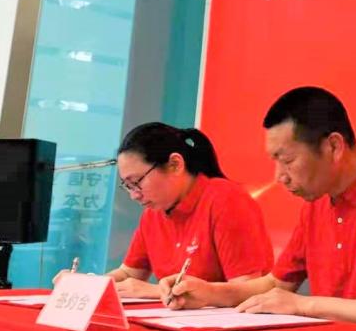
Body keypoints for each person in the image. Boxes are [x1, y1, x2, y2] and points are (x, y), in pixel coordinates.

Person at [161, 87, 356, 327]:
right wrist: (208, 292)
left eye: (287, 161)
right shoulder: (316, 202)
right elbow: (277, 284)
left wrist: (304, 305)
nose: (279, 176)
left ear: (334, 146)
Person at [54, 122, 274, 299]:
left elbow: (248, 289)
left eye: (137, 182)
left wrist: (154, 291)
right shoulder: (154, 212)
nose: (134, 195)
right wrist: (86, 285)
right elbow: (129, 273)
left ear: (175, 164)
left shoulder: (226, 200)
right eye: (127, 186)